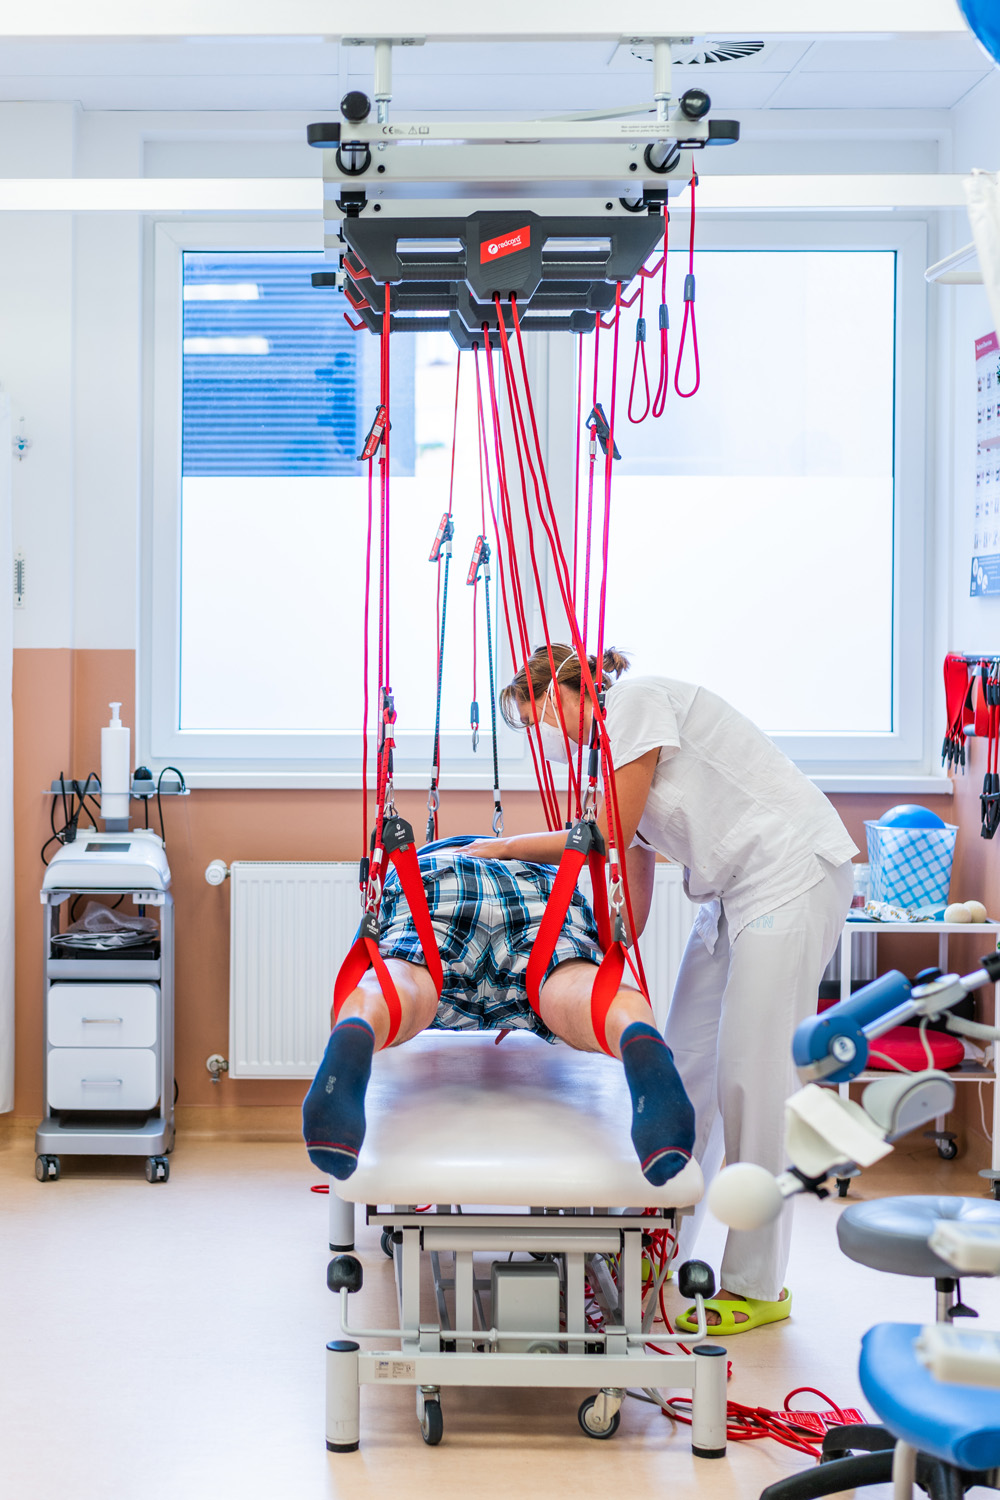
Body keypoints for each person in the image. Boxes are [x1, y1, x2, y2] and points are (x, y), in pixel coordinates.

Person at [461, 645, 857, 1336]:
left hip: (789, 876)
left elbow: (606, 833)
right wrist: (555, 971)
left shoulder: (635, 703)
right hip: (733, 892)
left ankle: (757, 1282)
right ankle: (652, 1245)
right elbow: (631, 903)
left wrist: (506, 846)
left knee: (752, 1078)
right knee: (683, 1068)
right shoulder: (611, 761)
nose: (547, 738)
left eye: (542, 718)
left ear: (564, 689)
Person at [303, 835, 695, 1187]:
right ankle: (635, 1033)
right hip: (537, 889)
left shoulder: (440, 851)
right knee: (577, 986)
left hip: (435, 879)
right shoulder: (526, 852)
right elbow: (624, 847)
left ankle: (360, 1023)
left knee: (404, 979)